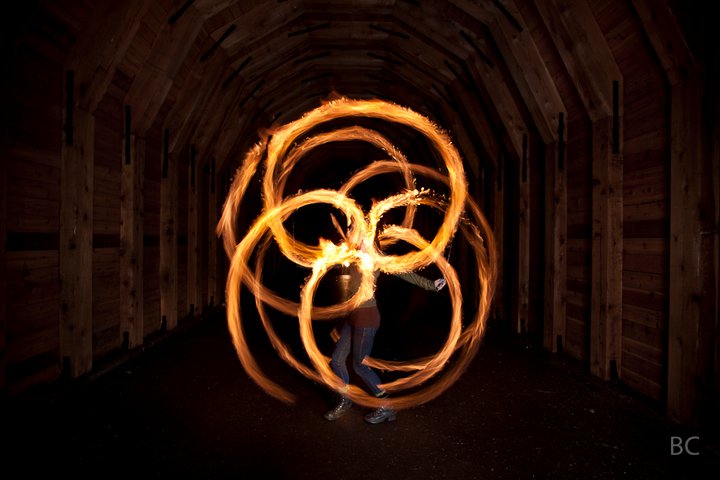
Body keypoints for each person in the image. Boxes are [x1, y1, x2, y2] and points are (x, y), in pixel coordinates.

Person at [323, 234, 447, 424]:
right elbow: (325, 265)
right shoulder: (349, 255)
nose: (353, 235)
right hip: (351, 317)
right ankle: (345, 399)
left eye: (359, 234)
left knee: (359, 365)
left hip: (367, 318)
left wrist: (431, 285)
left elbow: (405, 273)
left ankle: (386, 406)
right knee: (337, 360)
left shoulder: (376, 259)